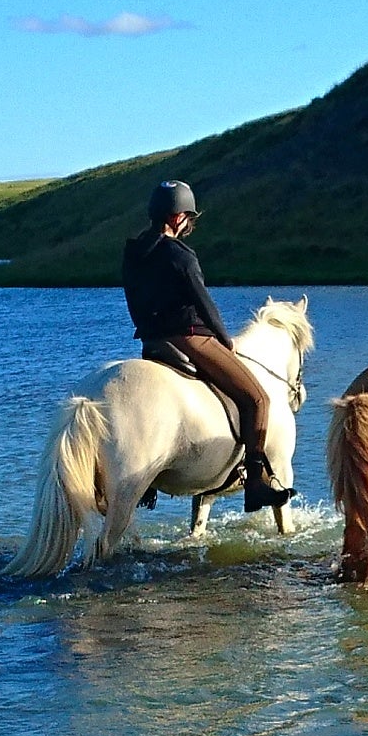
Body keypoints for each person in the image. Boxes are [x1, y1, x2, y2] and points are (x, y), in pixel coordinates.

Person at [120, 180, 294, 512]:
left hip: (152, 342)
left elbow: (133, 301)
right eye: (187, 218)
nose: (189, 225)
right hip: (190, 337)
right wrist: (225, 341)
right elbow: (204, 304)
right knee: (257, 399)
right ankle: (256, 482)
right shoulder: (179, 254)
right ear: (176, 218)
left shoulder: (133, 252)